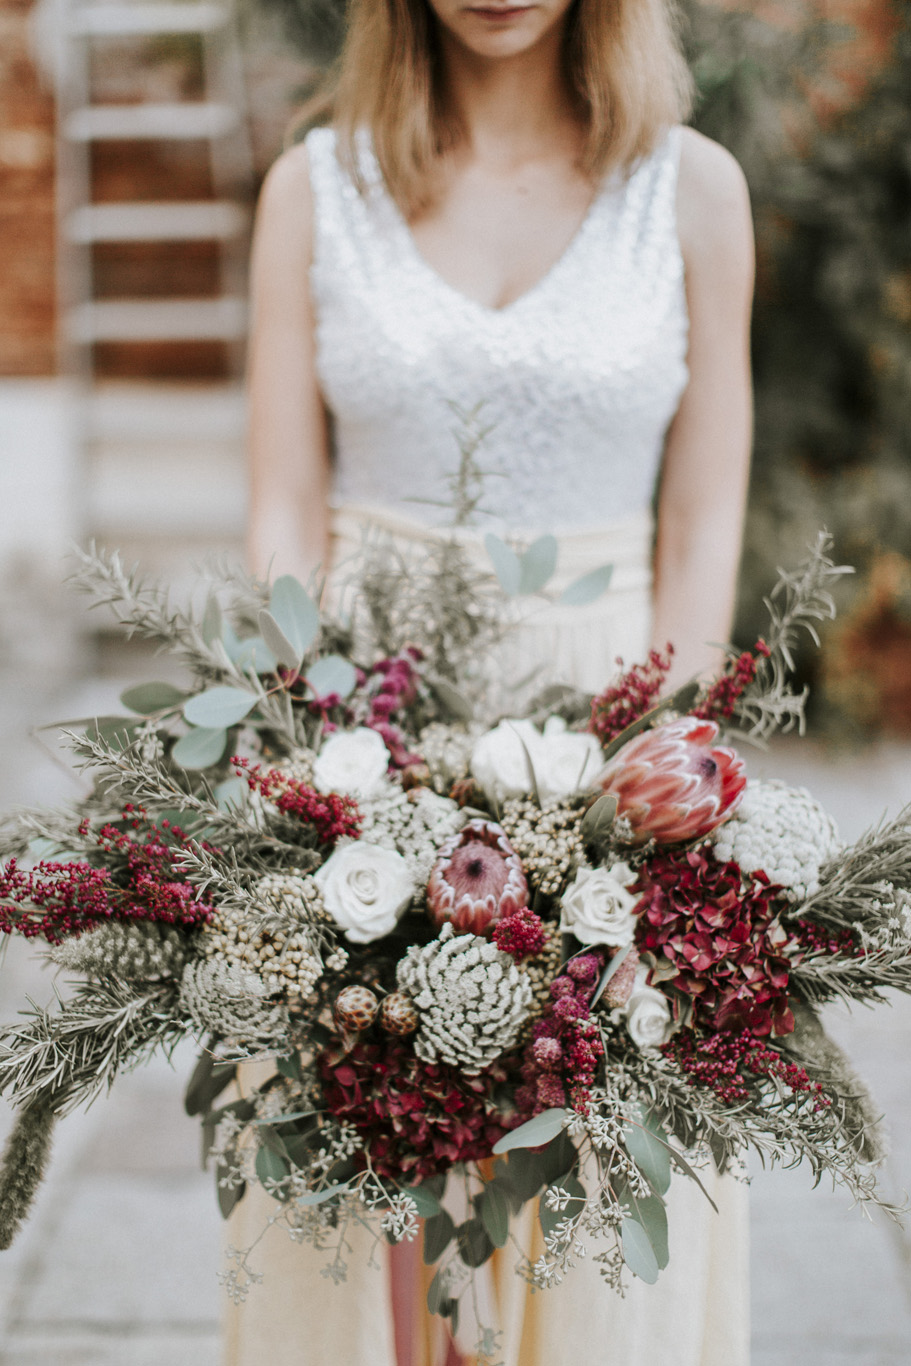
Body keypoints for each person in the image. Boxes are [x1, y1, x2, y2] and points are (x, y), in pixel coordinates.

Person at [230, 0, 754, 1362]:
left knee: (587, 1217)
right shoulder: (315, 188)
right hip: (363, 742)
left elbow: (701, 524)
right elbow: (284, 502)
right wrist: (320, 756)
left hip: (607, 746)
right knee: (367, 1213)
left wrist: (658, 789)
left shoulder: (691, 192)